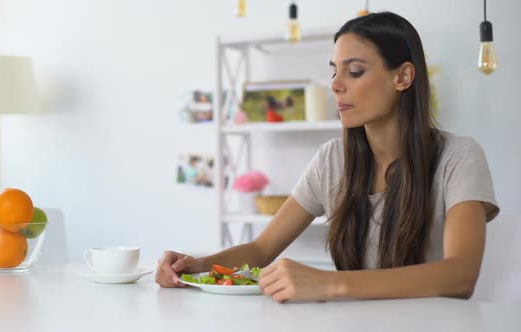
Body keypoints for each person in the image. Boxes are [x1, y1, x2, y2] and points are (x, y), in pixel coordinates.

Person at [156, 12, 499, 303]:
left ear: (403, 77)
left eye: (354, 71)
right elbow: (262, 249)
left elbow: (460, 275)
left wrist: (329, 283)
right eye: (334, 70)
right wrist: (195, 266)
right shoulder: (332, 161)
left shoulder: (459, 157)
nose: (335, 85)